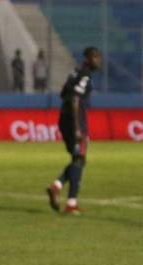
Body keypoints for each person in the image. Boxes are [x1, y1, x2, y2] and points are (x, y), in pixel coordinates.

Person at [46, 47, 102, 215]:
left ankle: (58, 188)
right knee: (79, 160)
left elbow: (64, 94)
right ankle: (69, 202)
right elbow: (75, 98)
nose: (99, 61)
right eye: (96, 57)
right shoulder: (85, 75)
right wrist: (77, 127)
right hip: (75, 121)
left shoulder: (74, 72)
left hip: (64, 118)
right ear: (87, 59)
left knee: (79, 159)